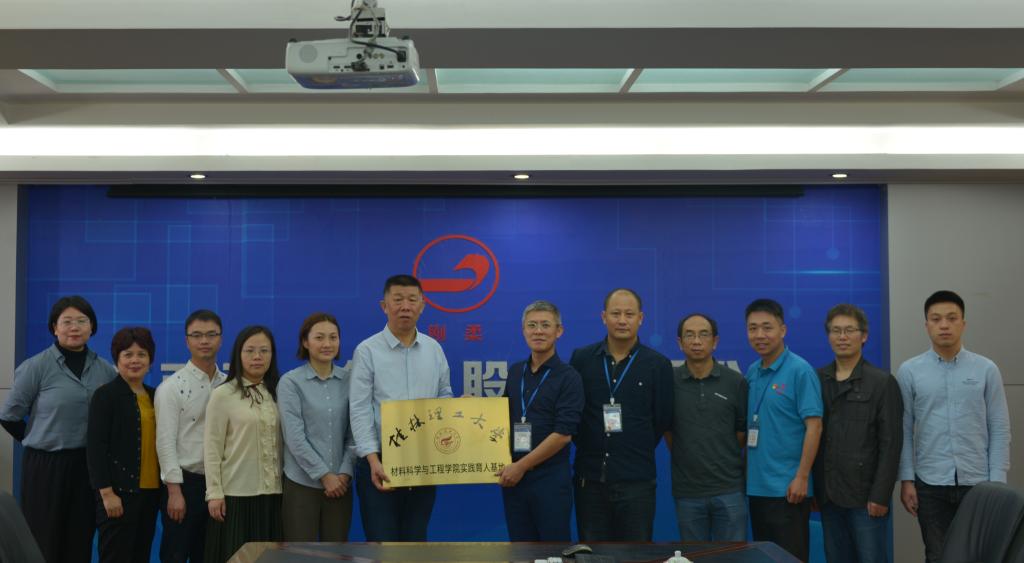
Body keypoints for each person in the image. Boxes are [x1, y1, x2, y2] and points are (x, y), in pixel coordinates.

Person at [0, 295, 117, 563]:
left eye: (81, 321)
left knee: (80, 538)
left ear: (92, 327)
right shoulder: (36, 366)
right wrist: (37, 438)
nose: (74, 327)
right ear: (55, 327)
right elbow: (9, 417)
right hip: (45, 466)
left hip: (86, 467)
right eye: (66, 322)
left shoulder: (105, 370)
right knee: (44, 539)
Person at [897, 290, 1010, 563]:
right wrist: (907, 479)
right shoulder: (909, 371)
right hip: (930, 483)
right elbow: (904, 429)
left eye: (952, 318)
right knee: (938, 555)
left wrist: (997, 481)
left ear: (963, 323)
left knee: (980, 556)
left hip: (980, 483)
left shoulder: (986, 369)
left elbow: (999, 427)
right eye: (936, 319)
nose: (944, 325)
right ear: (926, 325)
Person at [349, 274, 453, 541]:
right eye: (397, 300)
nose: (405, 306)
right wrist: (373, 460)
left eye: (412, 300)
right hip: (380, 461)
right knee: (382, 542)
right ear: (384, 306)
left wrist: (456, 409)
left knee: (415, 540)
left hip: (423, 460)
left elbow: (444, 395)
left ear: (422, 305)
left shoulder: (433, 349)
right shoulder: (367, 351)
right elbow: (359, 409)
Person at [570, 288, 674, 542]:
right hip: (590, 479)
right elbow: (574, 414)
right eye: (616, 313)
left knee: (636, 554)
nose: (622, 320)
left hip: (636, 481)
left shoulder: (657, 364)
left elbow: (661, 419)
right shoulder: (582, 359)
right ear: (604, 317)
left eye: (629, 314)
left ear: (641, 318)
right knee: (592, 555)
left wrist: (631, 445)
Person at [813, 304, 902, 563]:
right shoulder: (817, 379)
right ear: (828, 336)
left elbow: (891, 444)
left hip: (866, 498)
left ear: (864, 336)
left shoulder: (882, 382)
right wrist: (814, 490)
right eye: (836, 331)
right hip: (828, 496)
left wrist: (880, 495)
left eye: (849, 330)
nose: (842, 337)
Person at [497, 300, 584, 542]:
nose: (538, 331)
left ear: (559, 331)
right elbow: (500, 416)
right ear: (523, 330)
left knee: (552, 552)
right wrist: (472, 408)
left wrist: (521, 466)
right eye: (532, 325)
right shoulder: (516, 372)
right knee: (520, 551)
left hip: (550, 481)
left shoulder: (569, 377)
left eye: (545, 325)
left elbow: (563, 435)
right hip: (514, 481)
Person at [744, 298, 823, 562]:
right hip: (757, 488)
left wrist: (802, 477)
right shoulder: (752, 372)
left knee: (790, 558)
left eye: (767, 327)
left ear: (783, 330)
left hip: (789, 489)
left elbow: (814, 426)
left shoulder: (800, 370)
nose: (760, 335)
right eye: (753, 328)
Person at [203, 326, 283, 562]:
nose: (257, 357)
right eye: (250, 350)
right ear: (238, 354)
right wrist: (214, 493)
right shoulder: (223, 394)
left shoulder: (279, 392)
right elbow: (212, 448)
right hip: (236, 495)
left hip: (274, 494)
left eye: (264, 351)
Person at [667, 313, 748, 542]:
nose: (696, 341)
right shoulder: (669, 382)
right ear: (679, 343)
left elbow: (741, 433)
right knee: (694, 556)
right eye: (689, 335)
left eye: (703, 334)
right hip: (688, 492)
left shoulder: (735, 381)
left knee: (732, 556)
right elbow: (668, 431)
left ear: (715, 341)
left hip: (729, 489)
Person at [154, 309, 227, 563]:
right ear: (187, 341)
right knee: (175, 554)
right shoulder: (171, 387)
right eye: (197, 335)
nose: (204, 341)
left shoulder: (229, 385)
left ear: (221, 339)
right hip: (185, 485)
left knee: (211, 555)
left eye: (211, 334)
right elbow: (165, 442)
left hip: (221, 485)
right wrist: (174, 492)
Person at [278, 312, 357, 541]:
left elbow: (354, 433)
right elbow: (294, 438)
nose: (327, 344)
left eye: (333, 337)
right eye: (319, 337)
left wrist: (344, 473)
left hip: (341, 485)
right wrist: (324, 475)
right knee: (301, 553)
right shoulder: (291, 382)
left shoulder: (350, 380)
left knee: (337, 551)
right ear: (305, 342)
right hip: (302, 484)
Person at [87, 326, 161, 563]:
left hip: (151, 493)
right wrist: (107, 493)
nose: (135, 360)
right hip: (118, 494)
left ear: (150, 360)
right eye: (128, 354)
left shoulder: (156, 395)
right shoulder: (105, 396)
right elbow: (96, 447)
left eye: (142, 354)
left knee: (141, 555)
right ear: (117, 359)